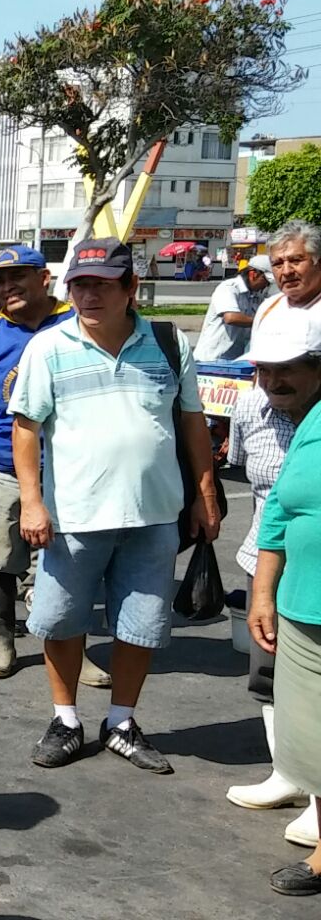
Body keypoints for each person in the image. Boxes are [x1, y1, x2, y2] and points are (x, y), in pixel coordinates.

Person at [11, 238, 218, 774]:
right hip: (74, 517)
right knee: (60, 621)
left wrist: (204, 492)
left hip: (154, 517)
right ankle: (66, 720)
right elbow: (26, 429)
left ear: (131, 288)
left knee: (140, 624)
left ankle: (122, 721)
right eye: (80, 284)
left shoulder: (170, 344)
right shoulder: (48, 348)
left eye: (102, 284)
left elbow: (193, 421)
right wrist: (32, 502)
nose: (89, 295)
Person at [0, 246, 75, 679]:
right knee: (2, 556)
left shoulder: (73, 323)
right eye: (0, 281)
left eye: (17, 277)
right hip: (3, 465)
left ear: (44, 278)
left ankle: (71, 648)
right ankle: (2, 640)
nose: (7, 288)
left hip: (68, 468)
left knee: (71, 560)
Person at [227, 311, 321, 849]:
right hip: (265, 559)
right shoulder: (250, 408)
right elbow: (272, 500)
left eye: (288, 369)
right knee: (273, 681)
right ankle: (289, 774)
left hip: (310, 577)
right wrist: (262, 587)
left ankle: (317, 798)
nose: (275, 380)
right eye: (265, 370)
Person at [196, 254, 273, 362]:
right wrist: (263, 321)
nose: (266, 285)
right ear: (253, 274)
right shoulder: (229, 288)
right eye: (265, 280)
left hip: (235, 358)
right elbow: (231, 318)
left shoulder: (256, 295)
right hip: (212, 358)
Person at [255, 220, 321, 335]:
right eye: (277, 264)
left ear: (318, 262)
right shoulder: (268, 308)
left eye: (295, 260)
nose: (286, 271)